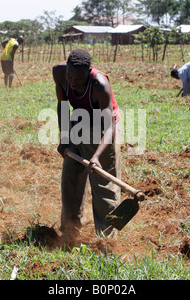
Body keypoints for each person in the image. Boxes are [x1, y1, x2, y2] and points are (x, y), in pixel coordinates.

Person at [52, 49, 121, 238]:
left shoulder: (100, 84)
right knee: (70, 175)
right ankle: (70, 229)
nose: (72, 83)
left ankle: (107, 238)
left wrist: (97, 157)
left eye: (78, 79)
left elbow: (109, 128)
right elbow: (63, 104)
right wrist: (64, 139)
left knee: (103, 181)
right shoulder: (59, 73)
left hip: (103, 125)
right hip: (79, 121)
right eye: (69, 78)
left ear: (88, 73)